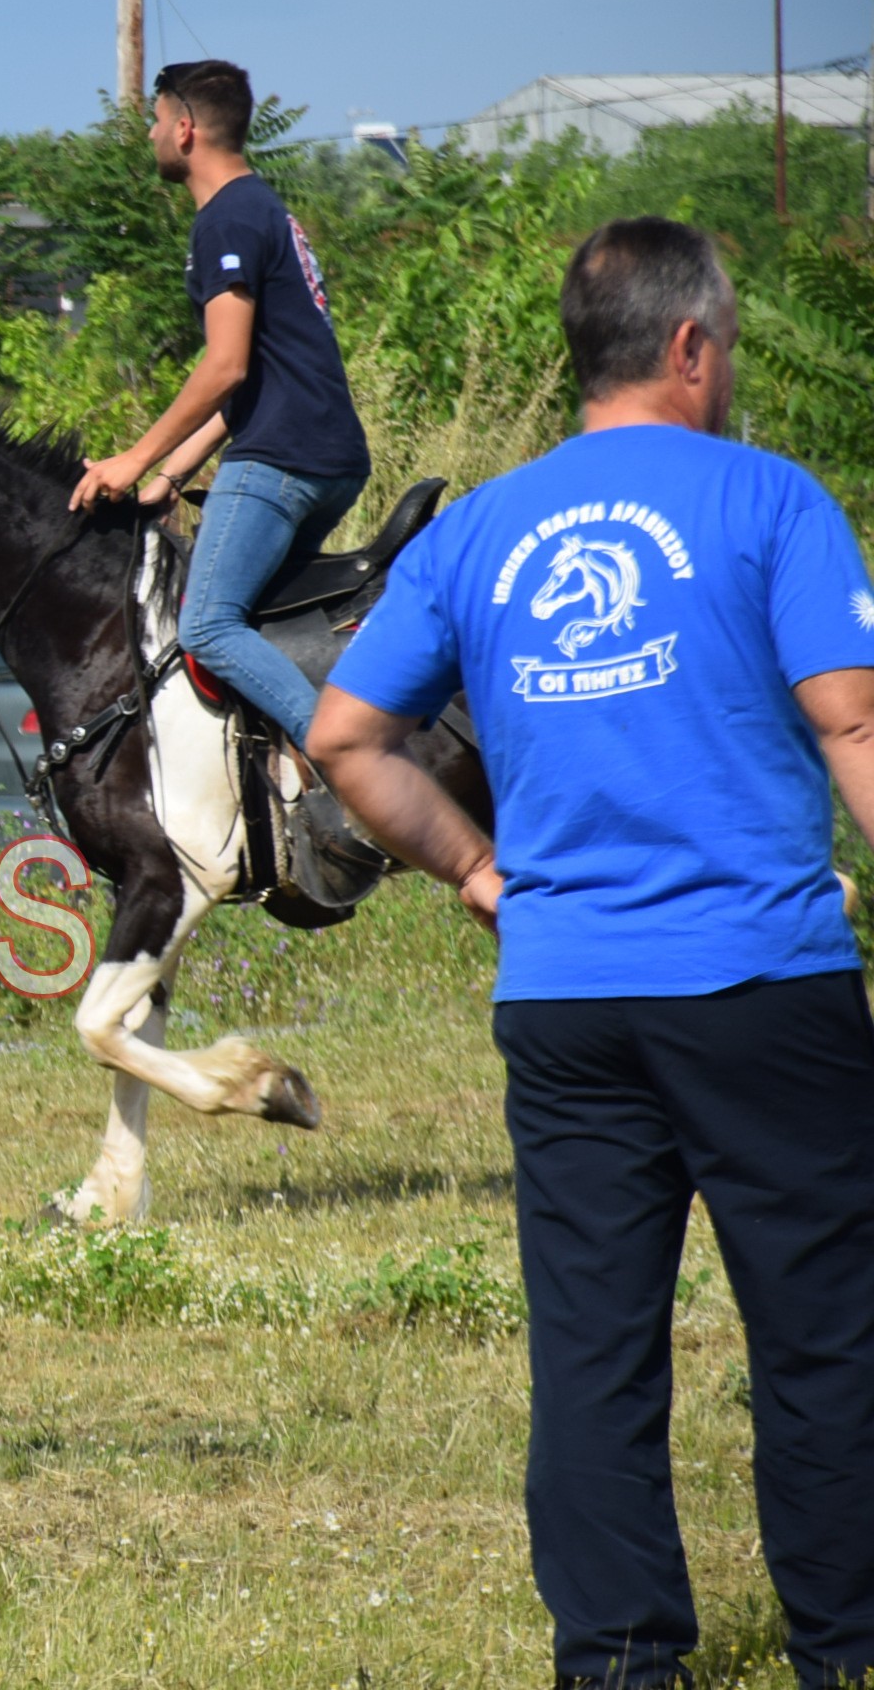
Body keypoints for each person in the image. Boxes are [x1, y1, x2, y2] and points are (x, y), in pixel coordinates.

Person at [312, 218, 874, 1690]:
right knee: (819, 1334)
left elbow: (344, 739)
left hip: (565, 1001)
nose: (730, 367)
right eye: (731, 345)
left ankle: (619, 1661)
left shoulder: (481, 529)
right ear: (691, 347)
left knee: (594, 1352)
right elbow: (854, 724)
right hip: (761, 986)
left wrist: (481, 871)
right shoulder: (773, 501)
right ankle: (847, 1648)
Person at [69, 58, 371, 753]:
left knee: (205, 624)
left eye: (153, 120)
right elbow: (253, 376)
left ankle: (337, 762)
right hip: (330, 458)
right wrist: (170, 476)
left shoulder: (226, 220)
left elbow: (226, 364)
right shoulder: (263, 207)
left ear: (183, 130)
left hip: (281, 460)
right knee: (255, 625)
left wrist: (132, 456)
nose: (147, 133)